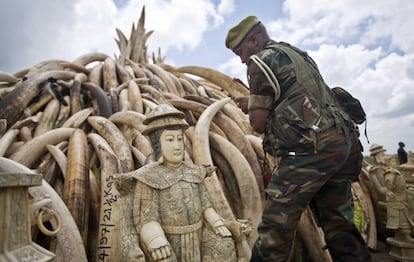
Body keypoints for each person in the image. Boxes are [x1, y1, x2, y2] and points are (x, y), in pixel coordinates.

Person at [225, 16, 371, 261]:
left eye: (241, 51)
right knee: (338, 222)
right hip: (341, 144)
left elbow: (258, 124)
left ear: (254, 39)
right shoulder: (296, 54)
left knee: (276, 225)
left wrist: (251, 108)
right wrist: (253, 102)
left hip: (310, 150)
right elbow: (298, 98)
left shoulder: (260, 62)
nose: (241, 59)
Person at [115, 103, 238, 261]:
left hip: (198, 237)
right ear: (158, 144)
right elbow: (147, 217)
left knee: (225, 245)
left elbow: (205, 205)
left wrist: (216, 221)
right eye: (170, 140)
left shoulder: (194, 172)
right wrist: (155, 239)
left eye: (179, 139)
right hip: (168, 240)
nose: (177, 145)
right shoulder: (149, 177)